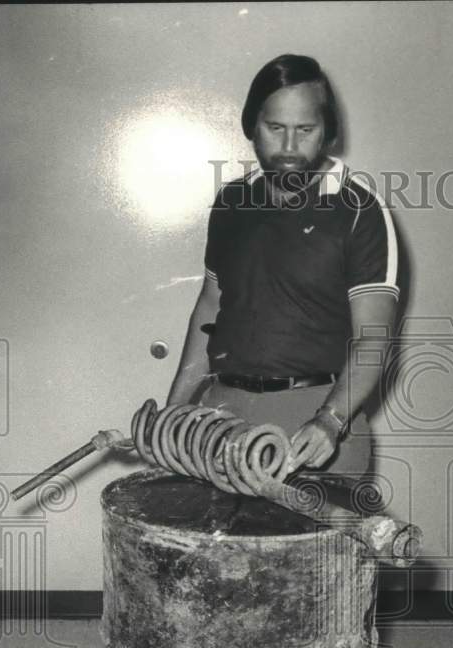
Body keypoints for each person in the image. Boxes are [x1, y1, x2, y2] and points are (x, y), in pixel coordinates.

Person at [167, 53, 399, 485]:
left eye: (306, 131)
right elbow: (210, 307)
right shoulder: (231, 203)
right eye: (276, 129)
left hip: (314, 428)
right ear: (251, 127)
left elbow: (374, 337)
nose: (290, 148)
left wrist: (331, 419)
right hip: (224, 425)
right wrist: (174, 412)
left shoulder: (359, 210)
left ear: (328, 133)